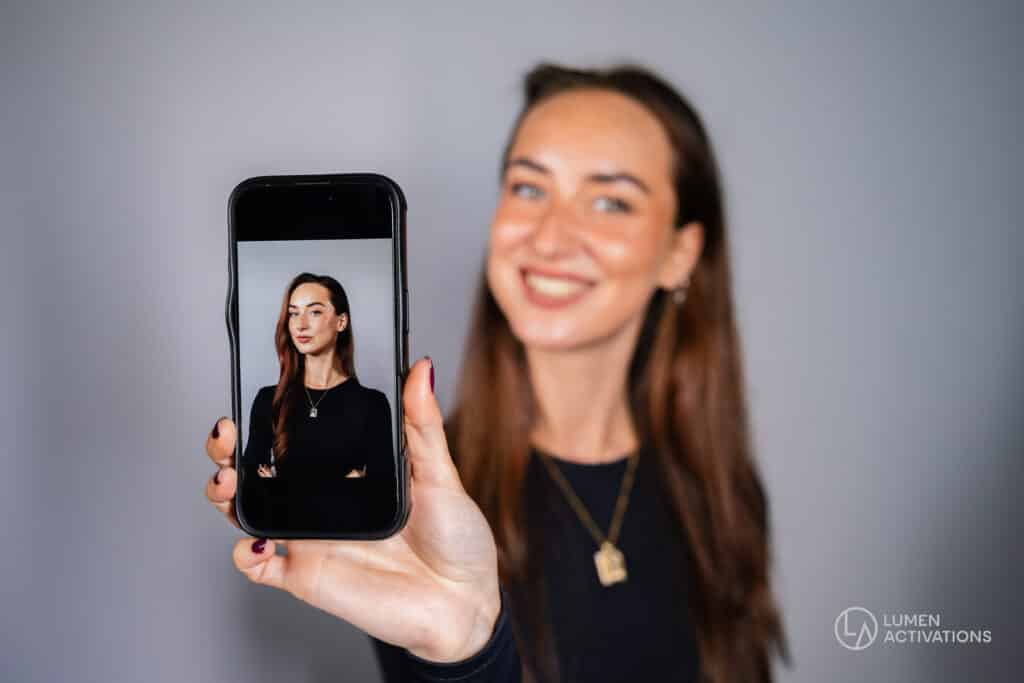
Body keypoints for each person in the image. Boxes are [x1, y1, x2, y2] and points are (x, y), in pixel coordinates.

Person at [204, 62, 788, 682]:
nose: (550, 237)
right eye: (530, 189)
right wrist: (463, 647)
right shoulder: (425, 494)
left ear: (680, 253)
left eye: (611, 200)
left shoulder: (720, 488)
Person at [239, 272, 394, 532]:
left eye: (314, 312)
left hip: (353, 547)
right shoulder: (269, 400)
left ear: (341, 322)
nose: (300, 324)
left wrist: (281, 485)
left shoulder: (373, 405)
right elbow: (252, 491)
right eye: (293, 313)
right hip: (285, 548)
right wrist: (347, 484)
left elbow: (382, 497)